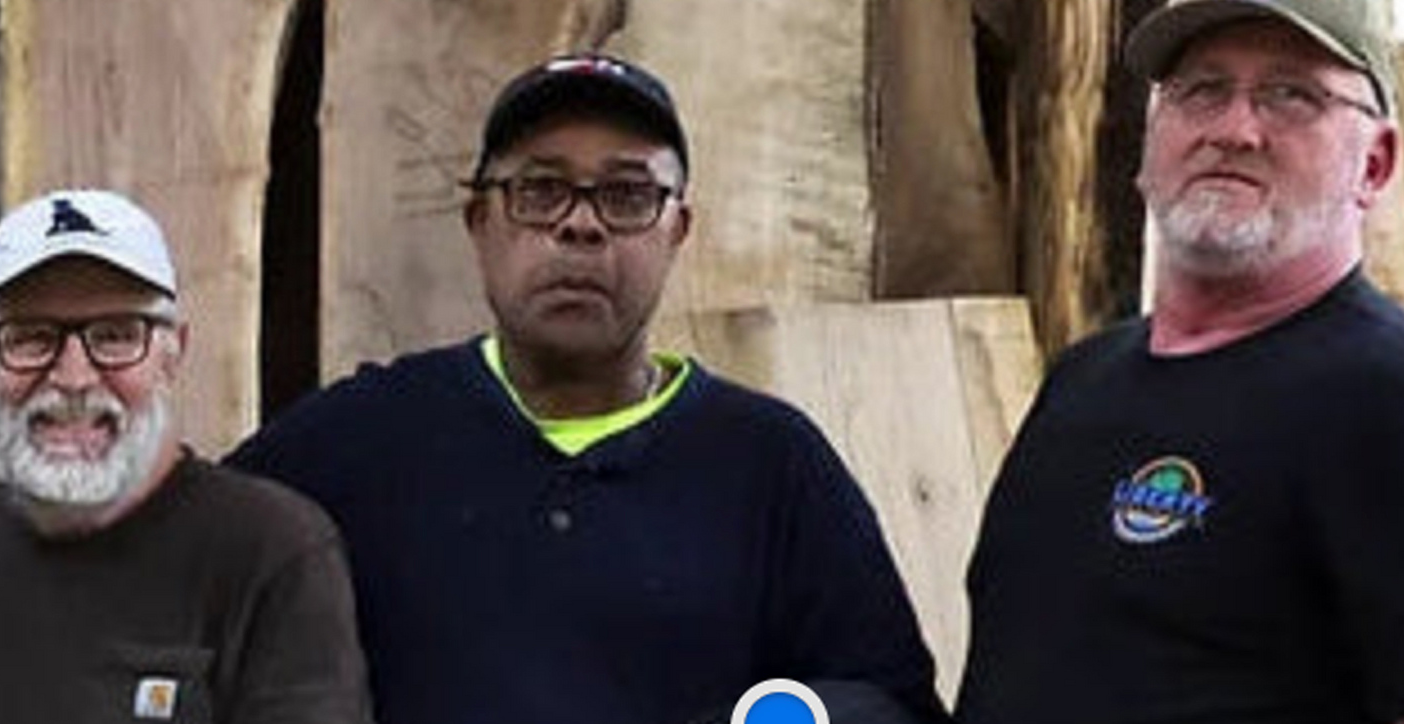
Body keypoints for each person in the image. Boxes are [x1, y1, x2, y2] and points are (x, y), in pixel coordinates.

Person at [225, 53, 945, 724]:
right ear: (480, 223)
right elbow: (192, 555)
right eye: (540, 190)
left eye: (627, 195)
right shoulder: (359, 441)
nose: (580, 225)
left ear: (677, 231)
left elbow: (891, 700)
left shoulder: (769, 463)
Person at [956, 1, 1404, 721]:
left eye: (1291, 95)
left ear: (1374, 165)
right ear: (1150, 141)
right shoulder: (1081, 382)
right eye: (1202, 90)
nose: (1234, 130)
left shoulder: (1381, 395)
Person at [0, 189, 373, 724]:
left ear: (174, 352)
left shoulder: (270, 551)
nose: (73, 376)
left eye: (116, 336)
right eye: (29, 337)